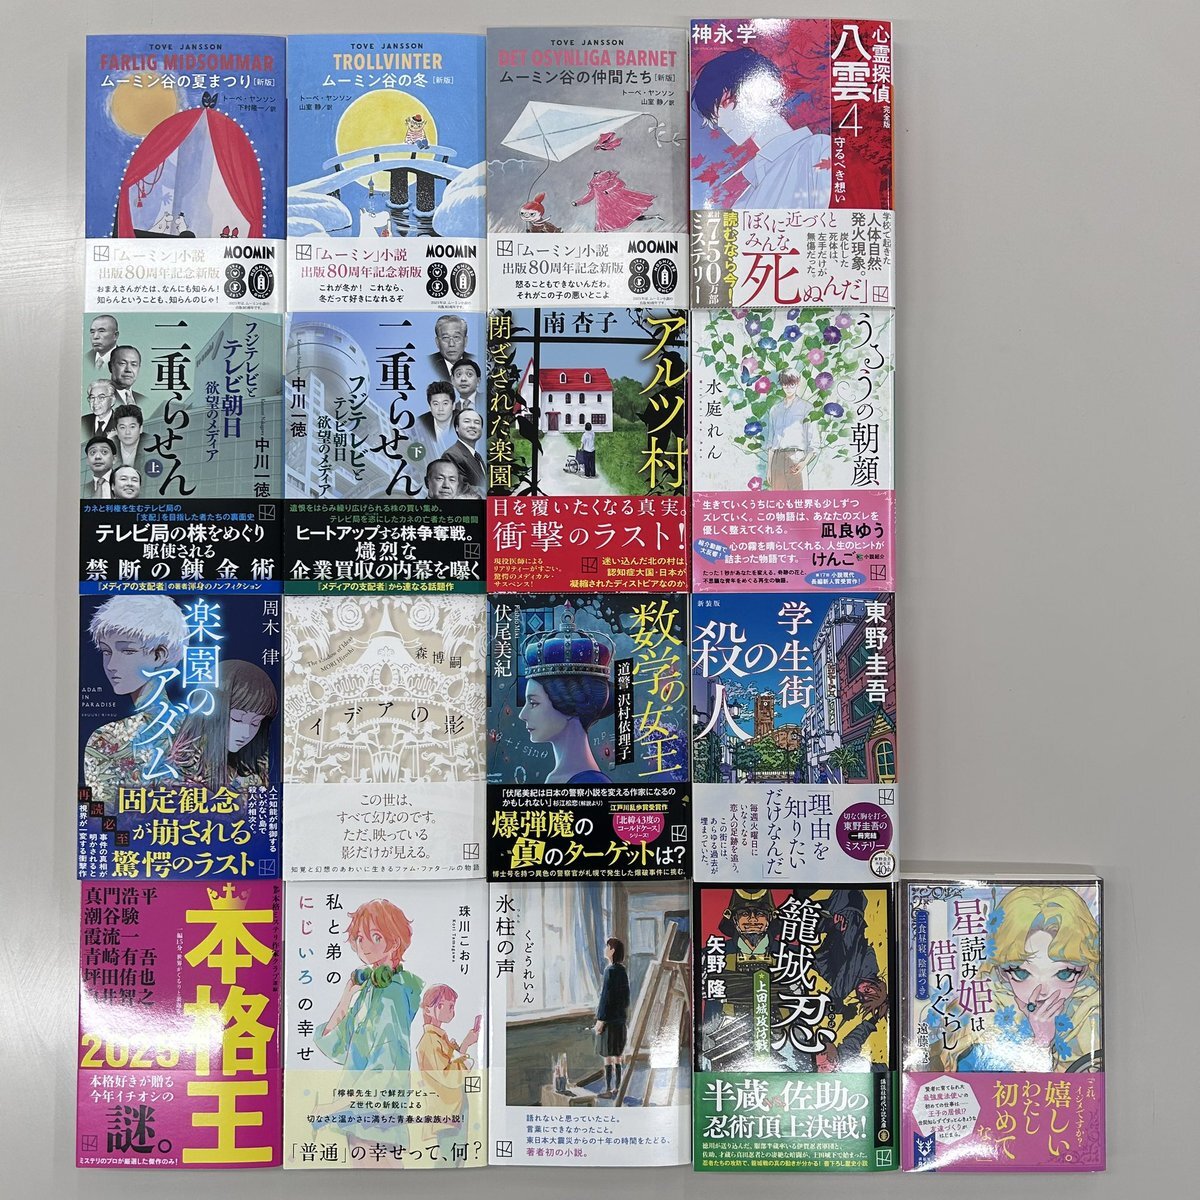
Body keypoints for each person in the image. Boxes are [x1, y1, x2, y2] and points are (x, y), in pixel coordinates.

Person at [925, 886, 1101, 1074]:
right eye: (1022, 973)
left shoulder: (1092, 1013)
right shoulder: (980, 1013)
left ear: (1083, 970)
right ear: (1001, 971)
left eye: (1064, 973)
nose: (1042, 991)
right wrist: (1040, 1043)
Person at [312, 899, 425, 1159]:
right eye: (360, 938)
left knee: (376, 1174)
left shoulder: (391, 995)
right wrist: (346, 996)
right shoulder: (370, 992)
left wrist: (334, 1107)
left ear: (394, 942)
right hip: (360, 1114)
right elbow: (339, 1046)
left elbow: (386, 1067)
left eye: (376, 937)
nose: (365, 946)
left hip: (377, 1117)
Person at [82, 596, 190, 814]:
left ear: (159, 655)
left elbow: (101, 820)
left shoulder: (107, 738)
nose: (111, 665)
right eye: (106, 651)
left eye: (127, 651)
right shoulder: (201, 727)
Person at [691, 47, 832, 210]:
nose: (720, 122)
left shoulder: (818, 149)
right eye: (714, 117)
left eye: (726, 103)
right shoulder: (746, 197)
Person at [518, 612, 613, 784]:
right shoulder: (561, 778)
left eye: (533, 703)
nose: (522, 715)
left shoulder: (590, 784)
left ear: (571, 703)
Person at [170, 660, 278, 791]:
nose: (246, 733)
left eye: (255, 722)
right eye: (237, 719)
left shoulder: (256, 769)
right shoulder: (177, 766)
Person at [413, 984, 481, 1160]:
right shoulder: (430, 1041)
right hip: (445, 1114)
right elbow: (448, 1077)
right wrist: (465, 1048)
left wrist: (464, 1045)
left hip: (452, 1111)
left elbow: (450, 1064)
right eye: (447, 1005)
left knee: (456, 1158)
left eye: (452, 1006)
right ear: (429, 1009)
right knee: (450, 1159)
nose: (452, 1011)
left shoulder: (439, 1039)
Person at [764, 370, 817, 490]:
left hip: (797, 457)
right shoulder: (775, 410)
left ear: (797, 384)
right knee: (779, 499)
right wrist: (769, 469)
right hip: (777, 459)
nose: (788, 388)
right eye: (785, 384)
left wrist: (804, 463)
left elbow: (814, 441)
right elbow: (771, 442)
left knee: (799, 498)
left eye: (792, 384)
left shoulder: (807, 407)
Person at [594, 937, 631, 1099]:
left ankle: (609, 1089)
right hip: (620, 1021)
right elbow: (625, 998)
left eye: (607, 947)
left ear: (612, 950)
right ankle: (618, 1088)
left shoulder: (610, 971)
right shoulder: (622, 971)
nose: (605, 949)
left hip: (609, 1022)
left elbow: (605, 998)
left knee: (608, 1057)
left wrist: (600, 1020)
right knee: (618, 1056)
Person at [572, 169, 657, 232]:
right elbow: (589, 196)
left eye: (598, 175)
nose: (597, 176)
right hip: (603, 208)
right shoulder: (594, 184)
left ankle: (655, 217)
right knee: (604, 226)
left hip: (614, 203)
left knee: (630, 216)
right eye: (595, 175)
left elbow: (621, 184)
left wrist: (609, 191)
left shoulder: (609, 179)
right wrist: (578, 203)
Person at [442, 409, 486, 496]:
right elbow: (460, 488)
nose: (472, 426)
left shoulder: (477, 456)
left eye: (477, 422)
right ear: (457, 428)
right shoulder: (451, 455)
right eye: (467, 421)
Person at [415, 380, 458, 458]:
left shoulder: (464, 420)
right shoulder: (420, 423)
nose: (440, 409)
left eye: (445, 403)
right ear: (430, 407)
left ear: (453, 405)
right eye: (436, 404)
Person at [428, 314, 470, 380]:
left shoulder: (475, 360)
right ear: (437, 342)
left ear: (465, 341)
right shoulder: (429, 363)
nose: (451, 344)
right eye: (446, 338)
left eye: (456, 337)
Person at [110, 403, 148, 471]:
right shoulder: (109, 446)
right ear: (116, 430)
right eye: (122, 427)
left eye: (132, 427)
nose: (127, 432)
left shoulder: (152, 444)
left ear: (141, 429)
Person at [83, 435, 116, 499]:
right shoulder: (82, 489)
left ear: (114, 459)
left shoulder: (124, 484)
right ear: (87, 461)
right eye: (93, 452)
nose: (97, 457)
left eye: (104, 452)